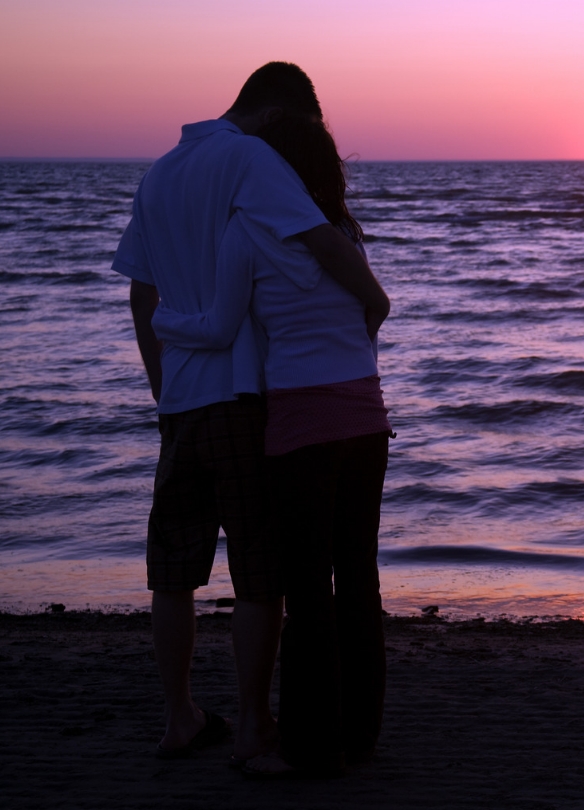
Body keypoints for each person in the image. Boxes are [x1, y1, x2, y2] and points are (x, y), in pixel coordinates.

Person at [112, 62, 389, 764]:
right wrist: (374, 307)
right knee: (267, 574)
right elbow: (322, 244)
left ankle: (179, 716)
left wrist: (161, 383)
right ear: (276, 117)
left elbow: (142, 297)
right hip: (244, 396)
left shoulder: (160, 172)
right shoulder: (253, 158)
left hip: (181, 402)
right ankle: (258, 727)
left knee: (172, 569)